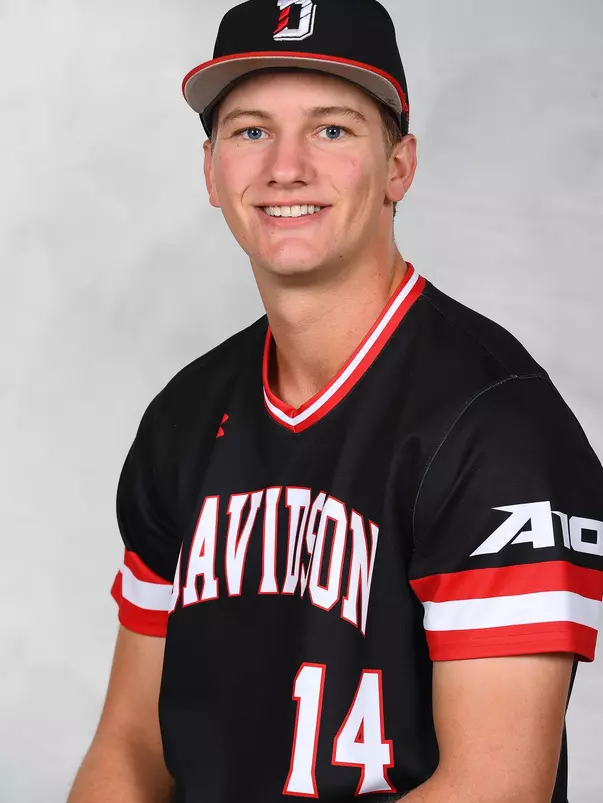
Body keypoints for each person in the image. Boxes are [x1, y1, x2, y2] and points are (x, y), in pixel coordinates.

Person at [68, 1, 603, 802]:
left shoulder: (498, 424)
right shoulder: (183, 418)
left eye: (332, 130)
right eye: (250, 130)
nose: (285, 167)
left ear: (398, 167)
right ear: (211, 169)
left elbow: (494, 787)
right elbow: (130, 745)